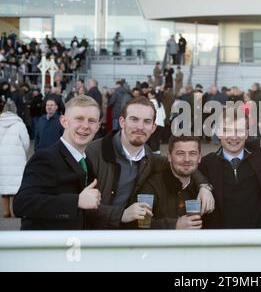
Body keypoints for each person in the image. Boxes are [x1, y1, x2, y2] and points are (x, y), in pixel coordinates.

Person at [85, 96, 214, 229]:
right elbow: (79, 204)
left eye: (146, 122)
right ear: (122, 122)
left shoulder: (149, 158)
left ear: (153, 128)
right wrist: (121, 214)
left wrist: (204, 186)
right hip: (92, 235)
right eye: (134, 119)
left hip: (127, 236)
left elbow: (183, 163)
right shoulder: (93, 153)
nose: (140, 127)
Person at [13, 95, 102, 230]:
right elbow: (22, 204)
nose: (85, 126)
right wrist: (76, 201)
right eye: (79, 119)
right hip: (47, 248)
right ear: (64, 121)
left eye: (92, 121)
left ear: (97, 127)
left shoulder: (86, 160)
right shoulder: (45, 158)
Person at [139, 136, 203, 229]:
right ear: (169, 157)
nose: (187, 159)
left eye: (193, 153)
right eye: (180, 153)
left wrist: (206, 188)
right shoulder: (152, 186)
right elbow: (140, 225)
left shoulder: (202, 190)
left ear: (199, 157)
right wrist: (174, 225)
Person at [0, 100, 30, 218]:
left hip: (2, 158)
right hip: (16, 157)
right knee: (16, 186)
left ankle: (5, 211)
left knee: (4, 185)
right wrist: (24, 153)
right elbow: (26, 142)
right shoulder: (19, 124)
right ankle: (15, 210)